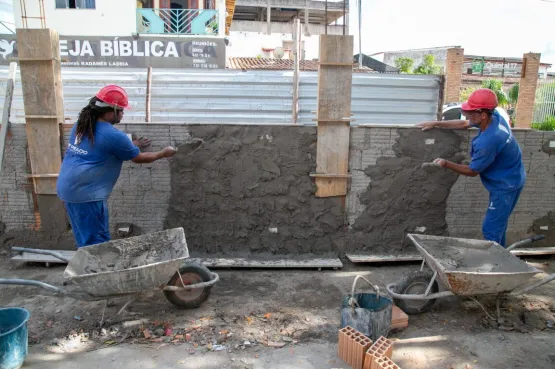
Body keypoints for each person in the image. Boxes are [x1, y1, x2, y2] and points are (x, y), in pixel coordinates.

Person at [57, 85, 177, 248]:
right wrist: (163, 153)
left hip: (68, 188)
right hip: (86, 194)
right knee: (96, 244)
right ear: (109, 111)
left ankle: (87, 267)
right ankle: (97, 272)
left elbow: (97, 147)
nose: (122, 113)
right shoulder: (113, 136)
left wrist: (130, 145)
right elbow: (138, 158)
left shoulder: (83, 124)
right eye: (120, 110)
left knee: (85, 238)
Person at [417, 88, 526, 247]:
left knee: (491, 229)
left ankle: (495, 266)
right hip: (513, 176)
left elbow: (472, 171)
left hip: (505, 185)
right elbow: (464, 123)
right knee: (498, 225)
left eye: (471, 112)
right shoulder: (494, 117)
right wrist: (436, 123)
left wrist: (446, 163)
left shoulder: (489, 140)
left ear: (483, 114)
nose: (467, 115)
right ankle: (502, 258)